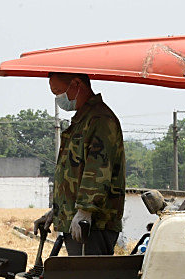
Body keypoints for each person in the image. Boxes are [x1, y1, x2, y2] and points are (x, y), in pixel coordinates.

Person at [33, 72, 125, 256]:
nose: (58, 98)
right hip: (79, 220)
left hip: (93, 224)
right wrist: (57, 211)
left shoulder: (100, 121)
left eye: (59, 91)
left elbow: (97, 171)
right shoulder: (82, 120)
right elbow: (74, 175)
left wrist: (85, 211)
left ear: (76, 84)